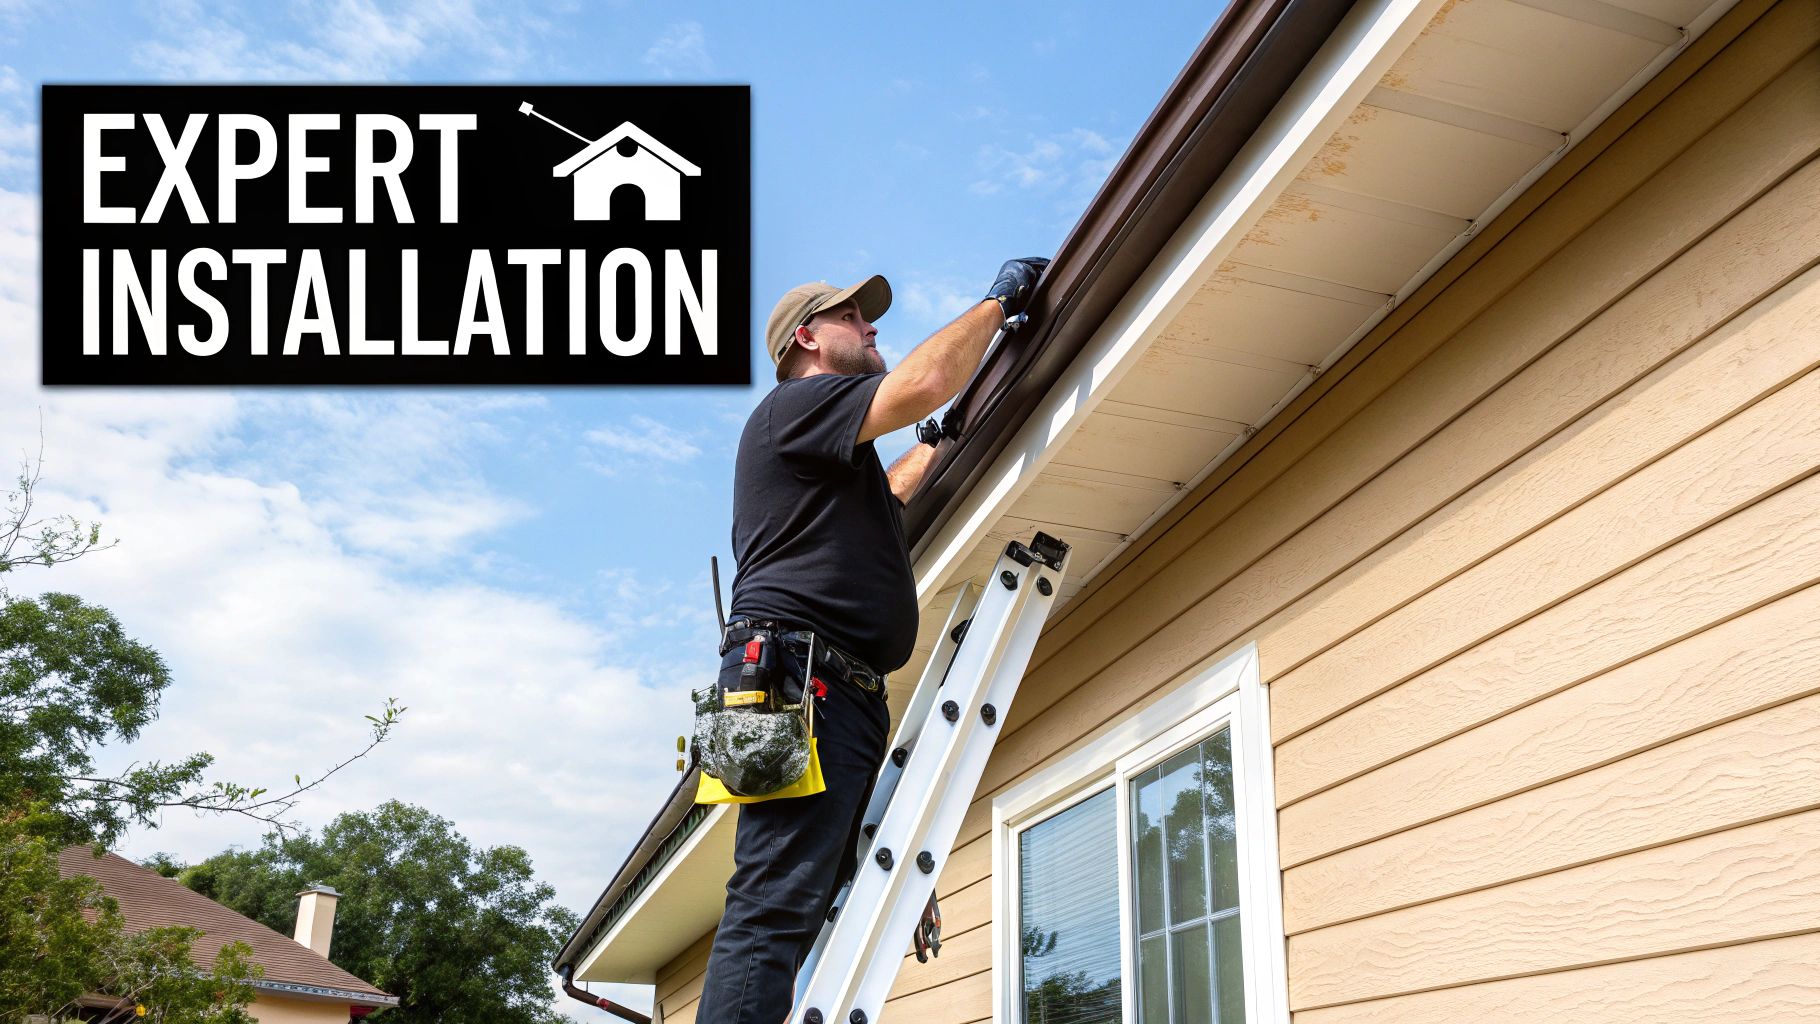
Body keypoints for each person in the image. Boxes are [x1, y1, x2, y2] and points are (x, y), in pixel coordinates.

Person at [696, 257, 1048, 1023]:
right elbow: (923, 383)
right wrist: (997, 302)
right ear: (807, 339)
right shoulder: (794, 407)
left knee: (799, 896)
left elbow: (890, 490)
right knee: (775, 901)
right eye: (852, 317)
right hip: (795, 673)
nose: (871, 325)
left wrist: (936, 439)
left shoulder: (829, 456)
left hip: (819, 679)